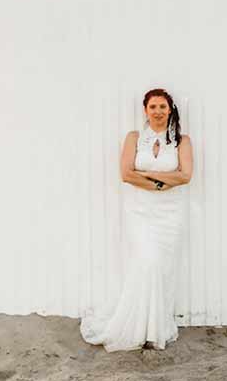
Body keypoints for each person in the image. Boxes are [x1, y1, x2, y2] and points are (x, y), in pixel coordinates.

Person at [81, 88, 195, 352]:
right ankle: (134, 326)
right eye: (153, 107)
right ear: (145, 110)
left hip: (169, 214)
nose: (158, 111)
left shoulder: (182, 141)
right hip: (140, 212)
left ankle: (155, 330)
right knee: (147, 261)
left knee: (161, 269)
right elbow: (125, 174)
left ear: (170, 110)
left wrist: (147, 176)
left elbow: (186, 176)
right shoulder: (134, 138)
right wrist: (161, 181)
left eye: (162, 107)